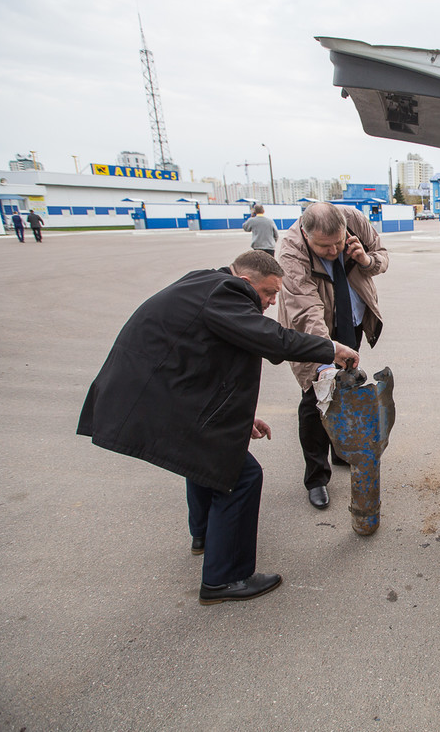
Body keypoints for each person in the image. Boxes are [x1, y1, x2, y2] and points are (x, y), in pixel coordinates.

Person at [77, 250, 359, 605]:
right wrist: (329, 348)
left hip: (160, 392)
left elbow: (206, 363)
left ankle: (206, 537)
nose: (272, 303)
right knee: (241, 476)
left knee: (205, 458)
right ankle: (225, 579)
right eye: (269, 293)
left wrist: (241, 420)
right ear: (245, 281)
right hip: (155, 396)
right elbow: (271, 338)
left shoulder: (205, 284)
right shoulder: (227, 292)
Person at [277, 202, 388, 510]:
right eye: (324, 247)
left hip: (350, 319)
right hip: (312, 329)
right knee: (315, 398)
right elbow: (305, 310)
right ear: (305, 233)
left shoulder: (354, 219)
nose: (333, 250)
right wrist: (328, 352)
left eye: (339, 243)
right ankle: (316, 477)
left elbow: (382, 257)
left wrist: (364, 259)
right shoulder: (290, 250)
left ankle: (341, 450)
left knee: (347, 387)